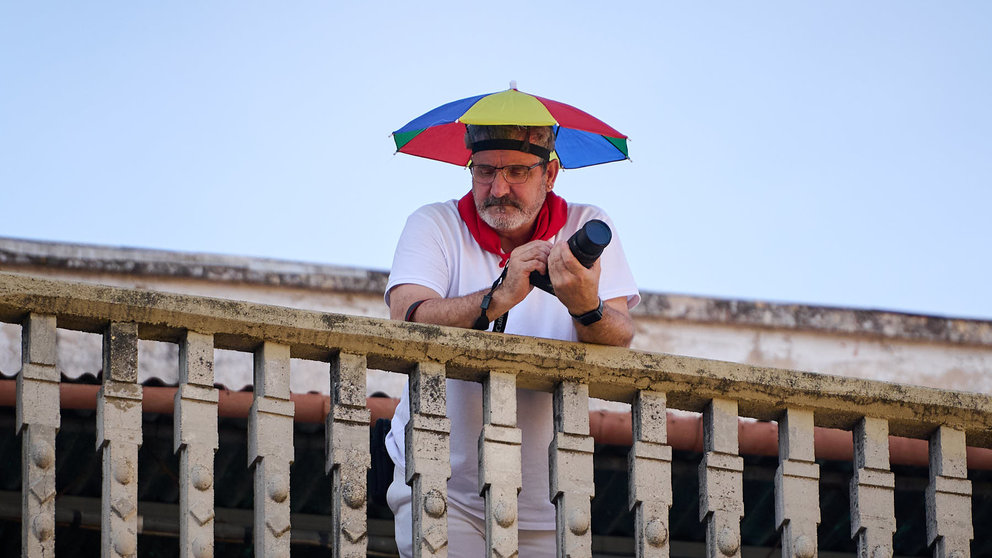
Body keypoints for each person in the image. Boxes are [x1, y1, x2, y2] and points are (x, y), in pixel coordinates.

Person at [384, 124, 640, 557]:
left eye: (518, 172)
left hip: (554, 496)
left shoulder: (587, 225)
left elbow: (619, 338)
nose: (498, 188)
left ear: (551, 173)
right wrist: (496, 298)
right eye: (484, 171)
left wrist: (584, 305)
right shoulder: (434, 222)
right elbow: (407, 317)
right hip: (440, 482)